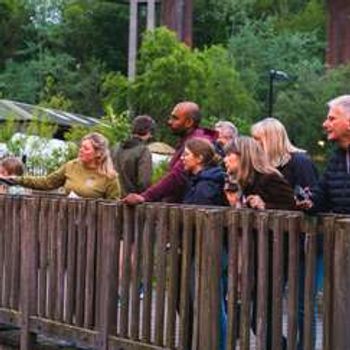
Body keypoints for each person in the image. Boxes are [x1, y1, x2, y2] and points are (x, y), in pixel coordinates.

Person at [251, 117, 320, 349]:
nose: (255, 144)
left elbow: (309, 200)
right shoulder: (264, 167)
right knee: (265, 301)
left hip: (302, 242)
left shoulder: (299, 162)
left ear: (271, 139)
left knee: (301, 305)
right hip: (275, 243)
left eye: (258, 139)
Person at [224, 136, 295, 350]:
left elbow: (292, 208)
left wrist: (266, 205)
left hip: (275, 255)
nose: (225, 159)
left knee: (263, 316)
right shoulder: (247, 181)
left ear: (243, 156)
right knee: (258, 317)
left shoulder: (269, 178)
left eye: (229, 155)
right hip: (259, 253)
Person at [181, 137, 226, 350]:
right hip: (199, 247)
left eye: (186, 155)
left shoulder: (207, 184)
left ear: (199, 158)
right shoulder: (198, 180)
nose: (182, 158)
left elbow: (198, 212)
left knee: (211, 304)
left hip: (207, 249)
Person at [123, 101, 217, 204]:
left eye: (175, 118)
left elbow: (177, 176)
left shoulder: (196, 142)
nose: (169, 122)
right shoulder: (188, 140)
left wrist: (145, 197)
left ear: (189, 122)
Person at [0, 132, 121, 200]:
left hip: (95, 228)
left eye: (86, 148)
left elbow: (114, 207)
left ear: (98, 153)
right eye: (81, 147)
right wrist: (16, 179)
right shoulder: (71, 166)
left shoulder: (109, 177)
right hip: (68, 222)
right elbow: (46, 182)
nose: (80, 150)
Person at [302, 95, 350, 213]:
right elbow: (322, 196)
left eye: (332, 119)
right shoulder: (337, 158)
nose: (325, 124)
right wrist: (308, 202)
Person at [251, 117, 318, 191]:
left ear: (271, 140)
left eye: (257, 139)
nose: (253, 143)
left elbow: (309, 196)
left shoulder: (301, 162)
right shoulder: (262, 165)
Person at [112, 115, 155, 196]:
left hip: (112, 199)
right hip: (131, 202)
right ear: (149, 132)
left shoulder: (116, 147)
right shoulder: (143, 151)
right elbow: (144, 182)